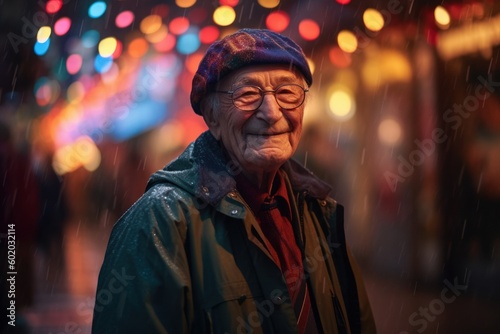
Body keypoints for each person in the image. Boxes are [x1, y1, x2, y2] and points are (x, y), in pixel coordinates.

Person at [92, 28, 376, 334]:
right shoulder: (158, 223)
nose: (271, 112)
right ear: (212, 117)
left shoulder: (319, 212)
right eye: (248, 94)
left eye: (288, 93)